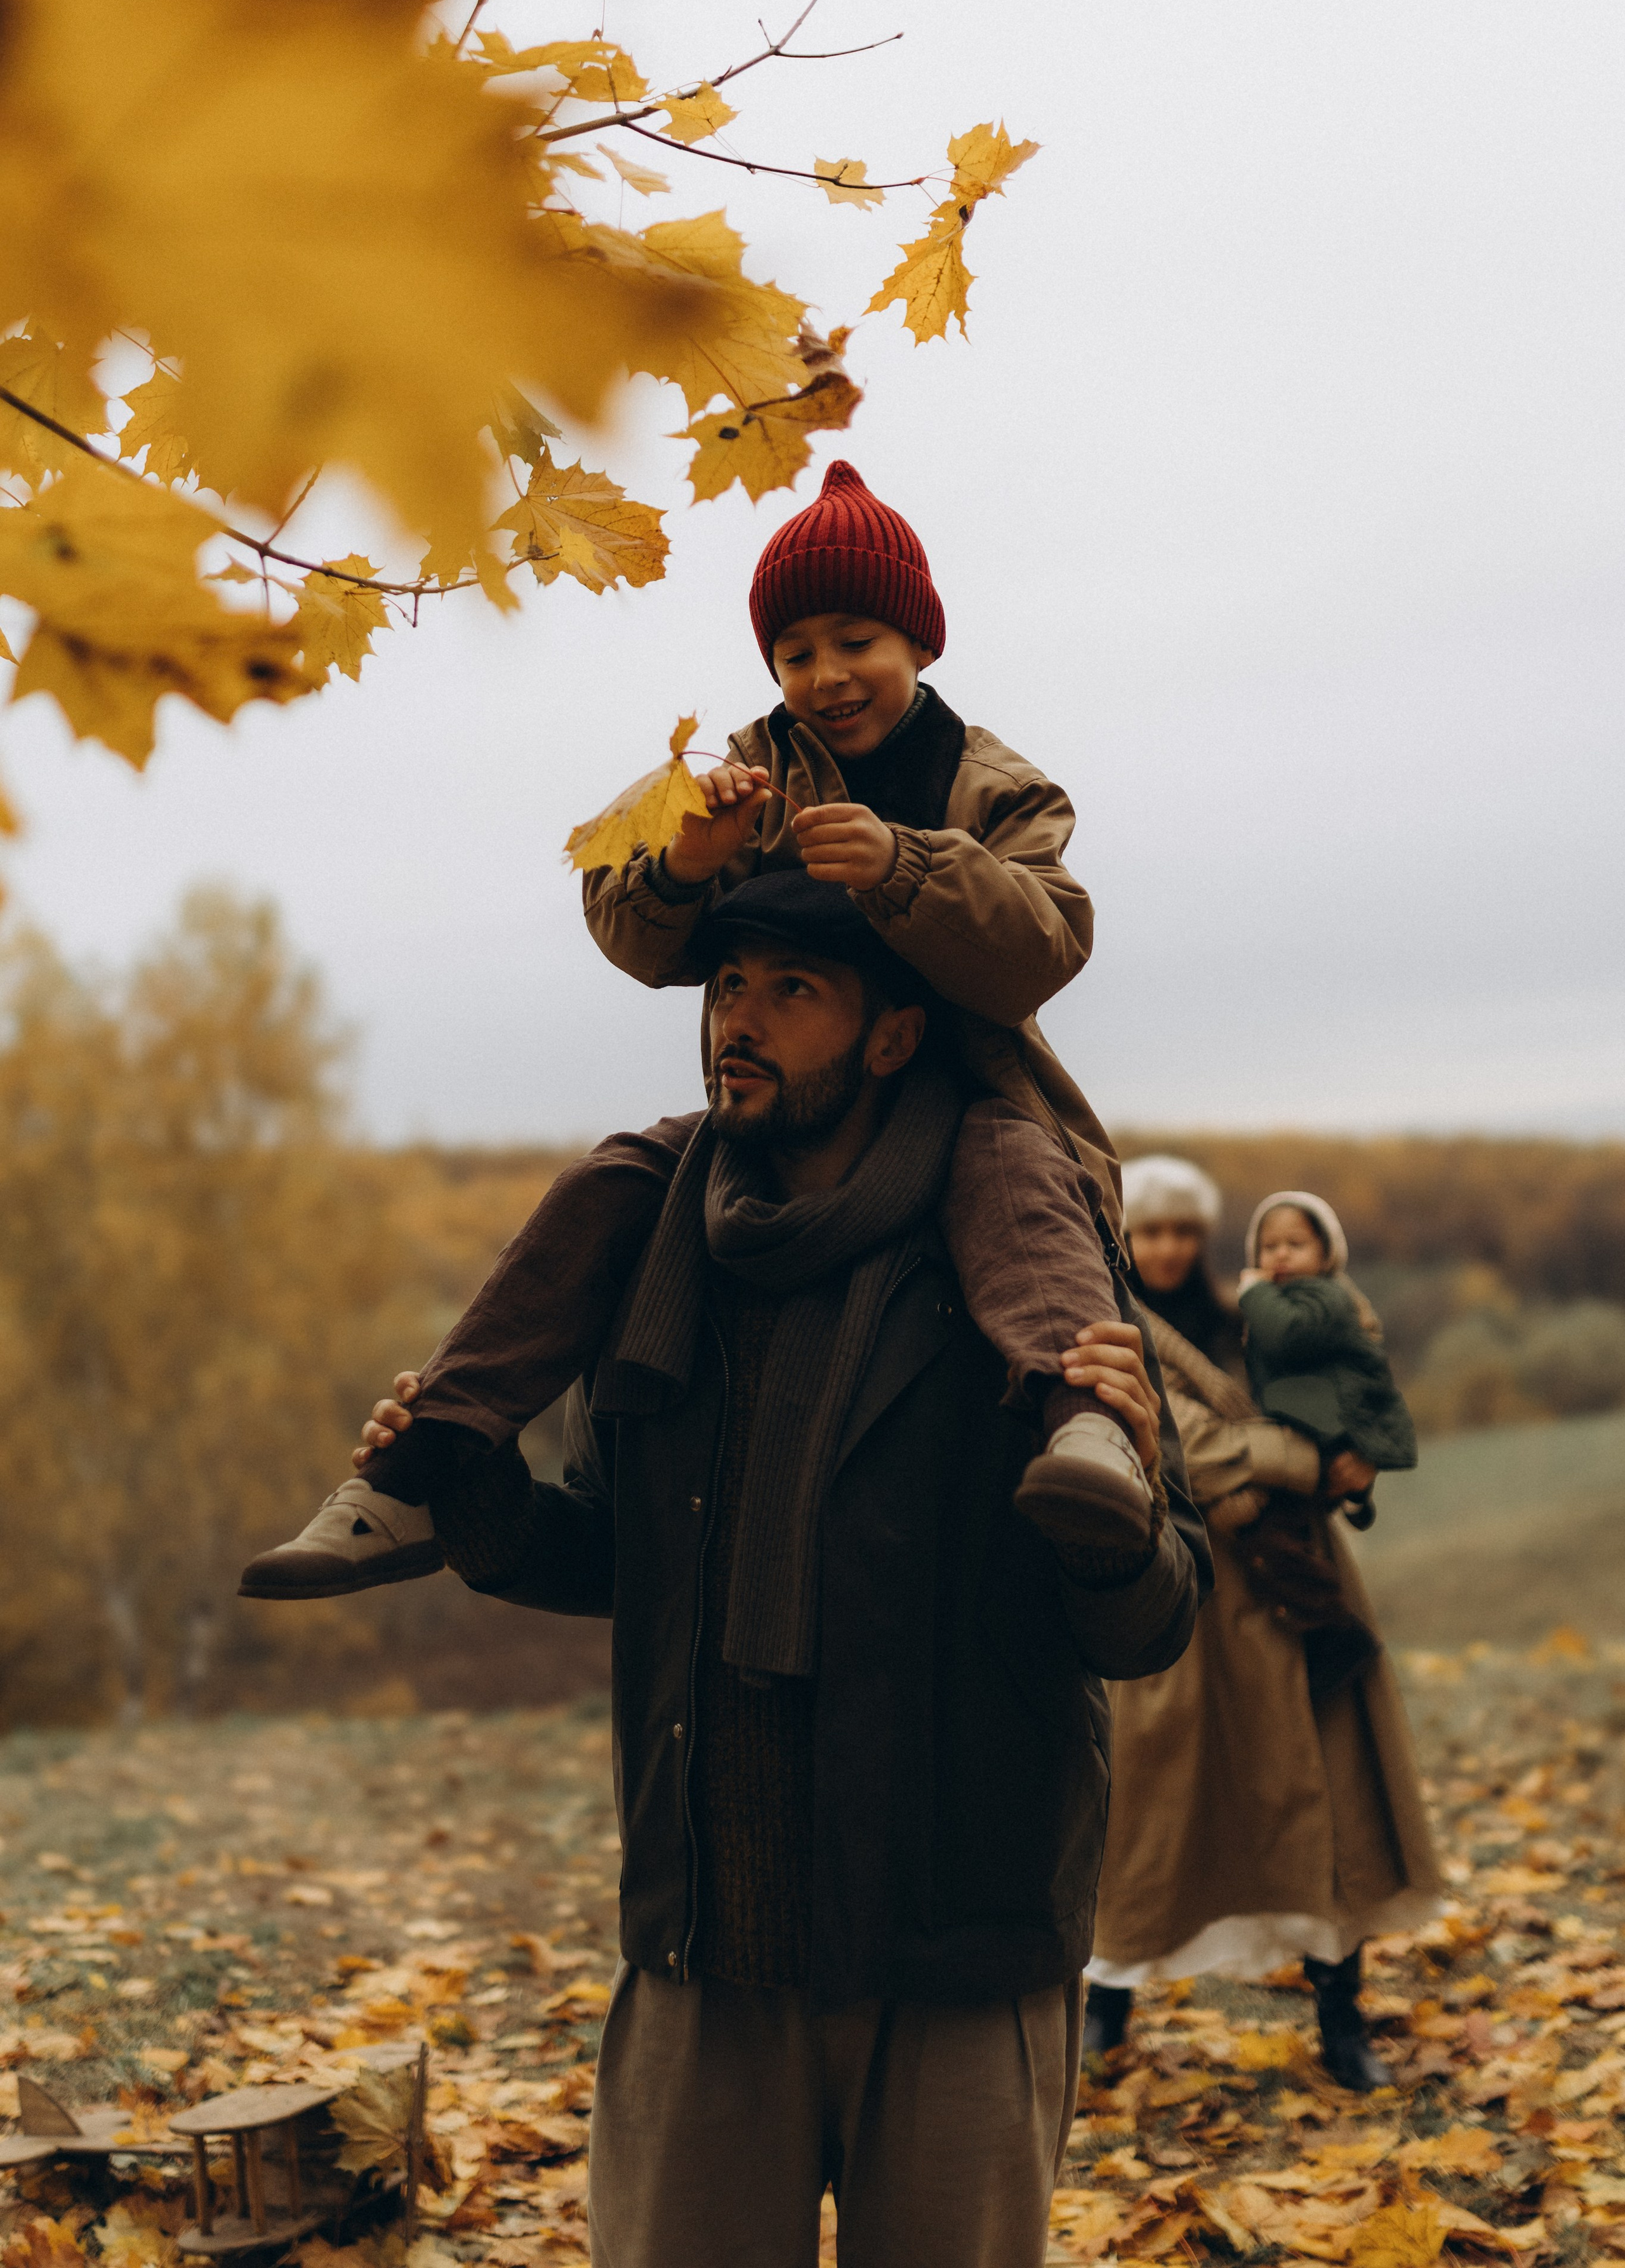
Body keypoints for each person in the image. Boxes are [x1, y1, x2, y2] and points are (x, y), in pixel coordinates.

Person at [291, 874, 1212, 2268]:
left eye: (792, 990)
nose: (740, 1019)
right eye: (729, 986)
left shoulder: (1016, 1257)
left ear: (893, 1035)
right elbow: (619, 1552)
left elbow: (1151, 1623)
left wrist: (1128, 1522)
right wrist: (475, 1494)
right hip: (703, 1950)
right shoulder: (665, 1260)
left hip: (956, 1951)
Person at [244, 461, 1159, 1593]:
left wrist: (905, 866)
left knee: (1018, 1189)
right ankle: (422, 1462)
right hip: (781, 1104)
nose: (827, 675)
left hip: (960, 1093)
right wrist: (684, 865)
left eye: (857, 641)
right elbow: (633, 934)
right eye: (795, 653)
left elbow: (1043, 945)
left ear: (921, 643)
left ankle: (1087, 1427)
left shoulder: (994, 788)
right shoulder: (742, 774)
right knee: (615, 1181)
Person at [1065, 1156, 1441, 2092]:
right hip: (1184, 1584)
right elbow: (1177, 1445)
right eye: (1150, 1231)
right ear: (1125, 1236)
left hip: (1294, 1581)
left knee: (1328, 1788)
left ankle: (1340, 2013)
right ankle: (1107, 2003)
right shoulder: (1107, 1323)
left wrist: (1351, 1453)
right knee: (1151, 1804)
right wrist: (1299, 1459)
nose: (1166, 1248)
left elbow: (1332, 1392)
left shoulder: (1253, 1317)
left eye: (1182, 1232)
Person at [1240, 1190, 1419, 1487]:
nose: (1281, 1254)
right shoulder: (1272, 1303)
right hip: (1306, 1431)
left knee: (1342, 1480)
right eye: (1269, 1247)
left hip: (1344, 1425)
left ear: (1326, 1254)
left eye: (1296, 1244)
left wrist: (1253, 1292)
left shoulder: (1329, 1296)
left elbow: (1288, 1336)